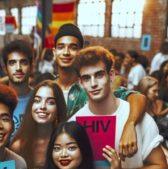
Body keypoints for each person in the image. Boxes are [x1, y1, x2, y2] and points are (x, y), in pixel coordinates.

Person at [52, 23, 147, 160]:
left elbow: (137, 97)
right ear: (54, 51)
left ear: (81, 52)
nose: (66, 52)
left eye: (73, 47)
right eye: (61, 47)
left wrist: (130, 124)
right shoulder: (47, 88)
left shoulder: (92, 87)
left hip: (87, 161)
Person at [10, 80, 67, 169]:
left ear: (58, 108)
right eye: (37, 101)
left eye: (50, 102)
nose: (42, 106)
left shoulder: (67, 142)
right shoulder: (19, 146)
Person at [1, 39, 33, 136]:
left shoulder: (39, 99)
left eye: (23, 62)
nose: (18, 68)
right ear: (5, 68)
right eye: (12, 63)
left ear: (31, 67)